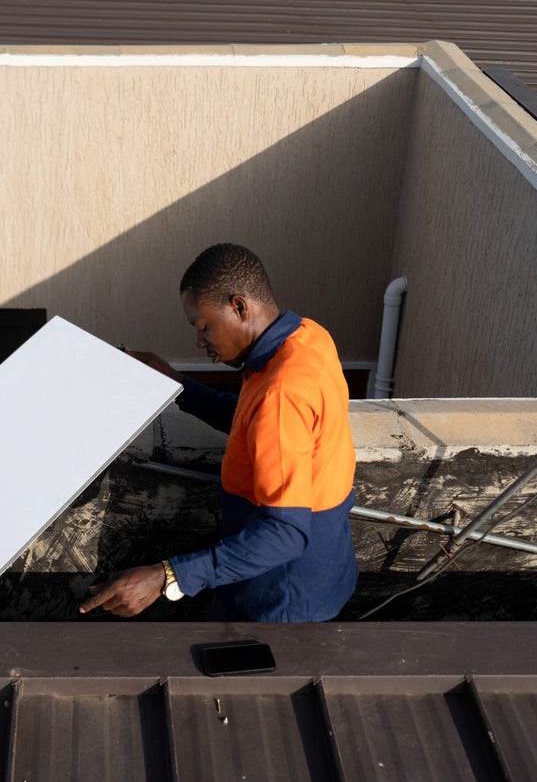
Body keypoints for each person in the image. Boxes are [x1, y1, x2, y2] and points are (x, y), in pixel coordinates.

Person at [80, 243, 358, 622]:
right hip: (321, 572)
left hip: (280, 598)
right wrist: (175, 383)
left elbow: (286, 533)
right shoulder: (308, 339)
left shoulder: (281, 393)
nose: (200, 342)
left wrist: (167, 576)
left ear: (240, 307)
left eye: (204, 326)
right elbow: (255, 425)